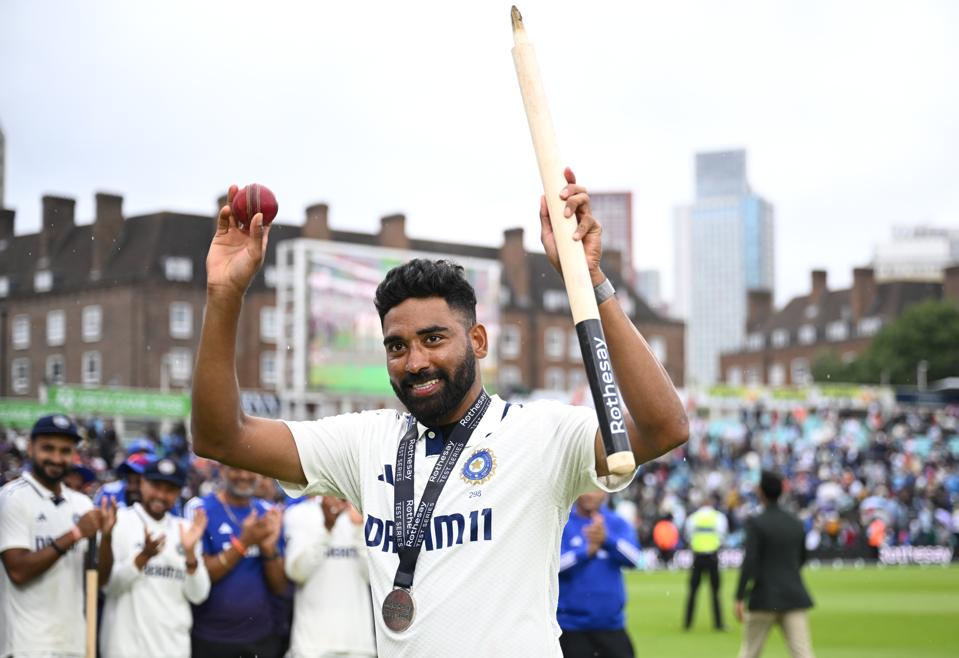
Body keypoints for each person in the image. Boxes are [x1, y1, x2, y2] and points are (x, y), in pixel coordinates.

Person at [190, 170, 689, 656]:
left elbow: (664, 428)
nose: (415, 362)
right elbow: (222, 438)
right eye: (396, 346)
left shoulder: (540, 433)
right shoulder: (367, 441)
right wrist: (225, 295)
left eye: (433, 338)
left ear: (477, 340)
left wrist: (591, 281)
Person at [0, 414, 108, 657]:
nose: (57, 458)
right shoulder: (12, 498)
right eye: (48, 448)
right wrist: (76, 533)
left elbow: (98, 580)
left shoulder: (81, 504)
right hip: (26, 644)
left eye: (65, 451)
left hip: (73, 643)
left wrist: (107, 537)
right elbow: (18, 570)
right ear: (30, 448)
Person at [99, 457, 210, 658]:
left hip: (173, 649)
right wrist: (144, 557)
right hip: (124, 649)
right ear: (142, 483)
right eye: (155, 486)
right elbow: (109, 586)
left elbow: (198, 595)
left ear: (178, 493)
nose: (161, 495)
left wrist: (191, 555)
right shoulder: (119, 521)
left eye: (170, 490)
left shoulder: (185, 529)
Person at [186, 464, 287, 658]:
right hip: (211, 637)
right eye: (235, 469)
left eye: (249, 469)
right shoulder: (200, 509)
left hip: (260, 637)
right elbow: (202, 577)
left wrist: (269, 549)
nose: (244, 475)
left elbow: (280, 587)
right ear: (222, 470)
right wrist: (243, 543)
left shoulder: (269, 513)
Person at [734, 471, 815, 658]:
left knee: (749, 653)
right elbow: (803, 558)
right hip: (793, 596)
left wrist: (739, 597)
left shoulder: (757, 523)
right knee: (803, 654)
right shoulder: (795, 523)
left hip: (764, 596)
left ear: (760, 492)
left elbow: (750, 562)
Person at [284, 495, 376, 658]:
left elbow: (375, 578)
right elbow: (296, 573)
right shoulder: (298, 513)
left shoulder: (367, 511)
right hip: (310, 647)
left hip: (359, 646)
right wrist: (326, 529)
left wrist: (360, 530)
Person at [557, 490, 643, 658]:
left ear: (605, 492)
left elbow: (636, 559)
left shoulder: (616, 523)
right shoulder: (563, 524)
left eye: (596, 488)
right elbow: (553, 566)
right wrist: (585, 552)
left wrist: (607, 540)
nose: (590, 494)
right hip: (571, 627)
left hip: (611, 626)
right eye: (585, 488)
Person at [683, 495, 728, 631]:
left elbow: (688, 536)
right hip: (712, 556)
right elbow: (722, 535)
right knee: (715, 592)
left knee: (693, 591)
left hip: (698, 557)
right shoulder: (718, 517)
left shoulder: (693, 518)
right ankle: (718, 624)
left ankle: (688, 623)